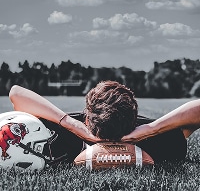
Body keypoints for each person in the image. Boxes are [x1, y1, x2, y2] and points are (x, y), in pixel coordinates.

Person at [8, 81, 200, 163]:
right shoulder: (159, 143)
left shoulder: (62, 135)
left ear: (87, 116)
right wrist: (151, 129)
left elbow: (16, 94)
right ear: (134, 117)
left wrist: (70, 124)